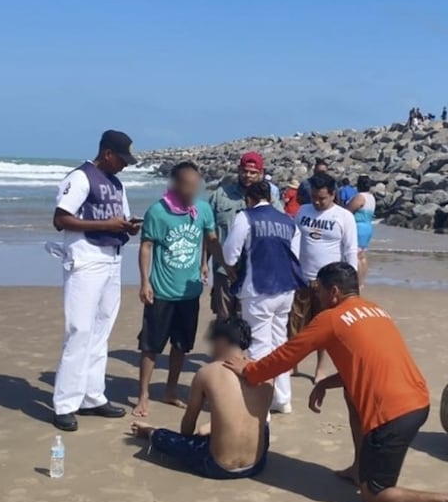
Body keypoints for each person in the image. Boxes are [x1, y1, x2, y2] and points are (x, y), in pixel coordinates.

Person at [223, 263, 448, 502]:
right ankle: (360, 468)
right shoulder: (376, 310)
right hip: (417, 400)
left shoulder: (330, 318)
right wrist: (326, 382)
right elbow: (368, 362)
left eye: (320, 292)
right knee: (350, 392)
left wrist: (249, 371)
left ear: (333, 291)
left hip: (394, 415)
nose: (318, 298)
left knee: (375, 497)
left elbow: (288, 355)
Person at [51, 130, 141, 431]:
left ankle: (92, 395)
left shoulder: (116, 183)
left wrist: (128, 227)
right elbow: (60, 219)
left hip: (112, 258)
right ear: (107, 154)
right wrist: (106, 224)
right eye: (122, 159)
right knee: (79, 329)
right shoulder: (80, 177)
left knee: (102, 329)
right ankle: (65, 403)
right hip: (86, 257)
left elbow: (120, 217)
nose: (125, 165)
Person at [131, 318, 272, 479]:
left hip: (219, 467)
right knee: (262, 424)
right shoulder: (265, 371)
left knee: (171, 439)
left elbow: (188, 424)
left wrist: (183, 441)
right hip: (257, 464)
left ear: (222, 340)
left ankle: (149, 432)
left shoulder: (207, 373)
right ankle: (215, 427)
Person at [134, 162, 218, 417]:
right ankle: (143, 395)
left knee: (181, 345)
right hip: (161, 291)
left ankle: (170, 390)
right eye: (188, 184)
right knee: (151, 346)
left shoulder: (202, 209)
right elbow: (146, 246)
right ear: (176, 183)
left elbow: (209, 237)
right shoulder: (158, 212)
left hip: (189, 292)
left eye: (196, 184)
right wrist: (145, 282)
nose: (192, 189)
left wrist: (207, 263)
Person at [222, 180, 303, 413]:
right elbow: (294, 255)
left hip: (258, 288)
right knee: (280, 344)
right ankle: (282, 398)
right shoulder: (288, 221)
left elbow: (230, 254)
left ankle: (260, 405)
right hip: (286, 288)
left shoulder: (245, 217)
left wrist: (232, 267)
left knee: (259, 345)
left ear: (249, 198)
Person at [290, 173, 359, 383]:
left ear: (333, 195)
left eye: (322, 198)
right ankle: (292, 364)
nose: (318, 202)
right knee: (294, 324)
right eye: (314, 197)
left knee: (325, 328)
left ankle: (321, 368)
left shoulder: (344, 217)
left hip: (330, 283)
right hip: (302, 277)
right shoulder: (303, 211)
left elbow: (350, 251)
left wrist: (352, 285)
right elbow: (294, 241)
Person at [207, 152, 282, 319]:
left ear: (261, 173)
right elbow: (208, 233)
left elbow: (280, 233)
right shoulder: (220, 196)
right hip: (224, 270)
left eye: (253, 172)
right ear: (239, 170)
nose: (248, 176)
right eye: (244, 171)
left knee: (250, 320)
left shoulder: (272, 200)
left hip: (255, 271)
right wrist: (202, 265)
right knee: (224, 319)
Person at [347, 175, 376, 286]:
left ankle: (357, 282)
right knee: (362, 255)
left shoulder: (360, 197)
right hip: (368, 226)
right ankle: (361, 282)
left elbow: (348, 210)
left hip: (358, 227)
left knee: (356, 255)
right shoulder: (371, 197)